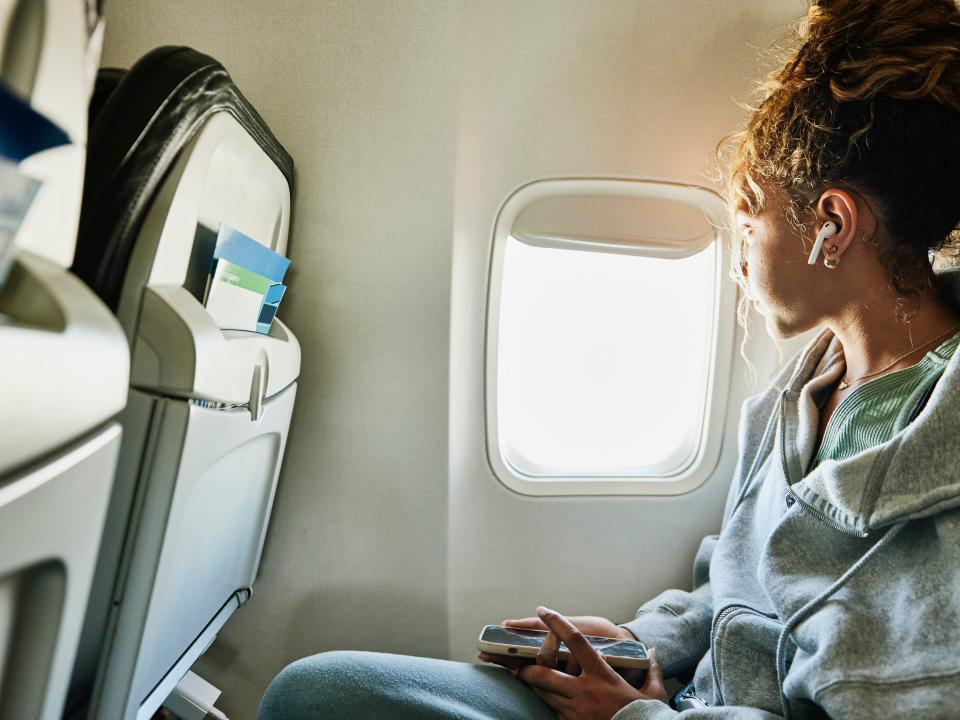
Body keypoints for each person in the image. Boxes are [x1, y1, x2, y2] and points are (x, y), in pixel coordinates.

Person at [258, 0, 960, 717]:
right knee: (318, 690)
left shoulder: (941, 456)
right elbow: (738, 589)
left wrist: (636, 716)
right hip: (675, 700)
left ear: (832, 226)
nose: (739, 267)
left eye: (749, 226)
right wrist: (636, 643)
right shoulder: (804, 390)